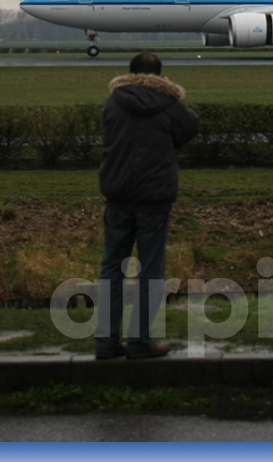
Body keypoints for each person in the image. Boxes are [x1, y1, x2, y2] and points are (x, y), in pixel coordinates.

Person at [95, 52, 200, 360]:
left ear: (130, 72)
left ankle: (106, 340)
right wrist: (169, 93)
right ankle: (141, 341)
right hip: (154, 196)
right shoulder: (167, 103)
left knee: (112, 267)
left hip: (118, 192)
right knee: (151, 269)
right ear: (160, 75)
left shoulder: (114, 101)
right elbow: (189, 127)